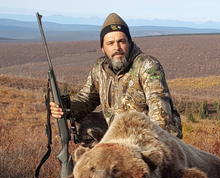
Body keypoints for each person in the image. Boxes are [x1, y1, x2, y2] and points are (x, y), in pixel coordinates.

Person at [50, 13, 182, 148]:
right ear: (103, 48)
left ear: (130, 43)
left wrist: (154, 147)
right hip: (116, 131)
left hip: (145, 134)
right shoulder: (100, 68)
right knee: (87, 125)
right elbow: (86, 100)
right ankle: (101, 163)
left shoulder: (147, 66)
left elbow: (160, 113)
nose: (116, 48)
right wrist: (64, 108)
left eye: (121, 41)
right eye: (110, 43)